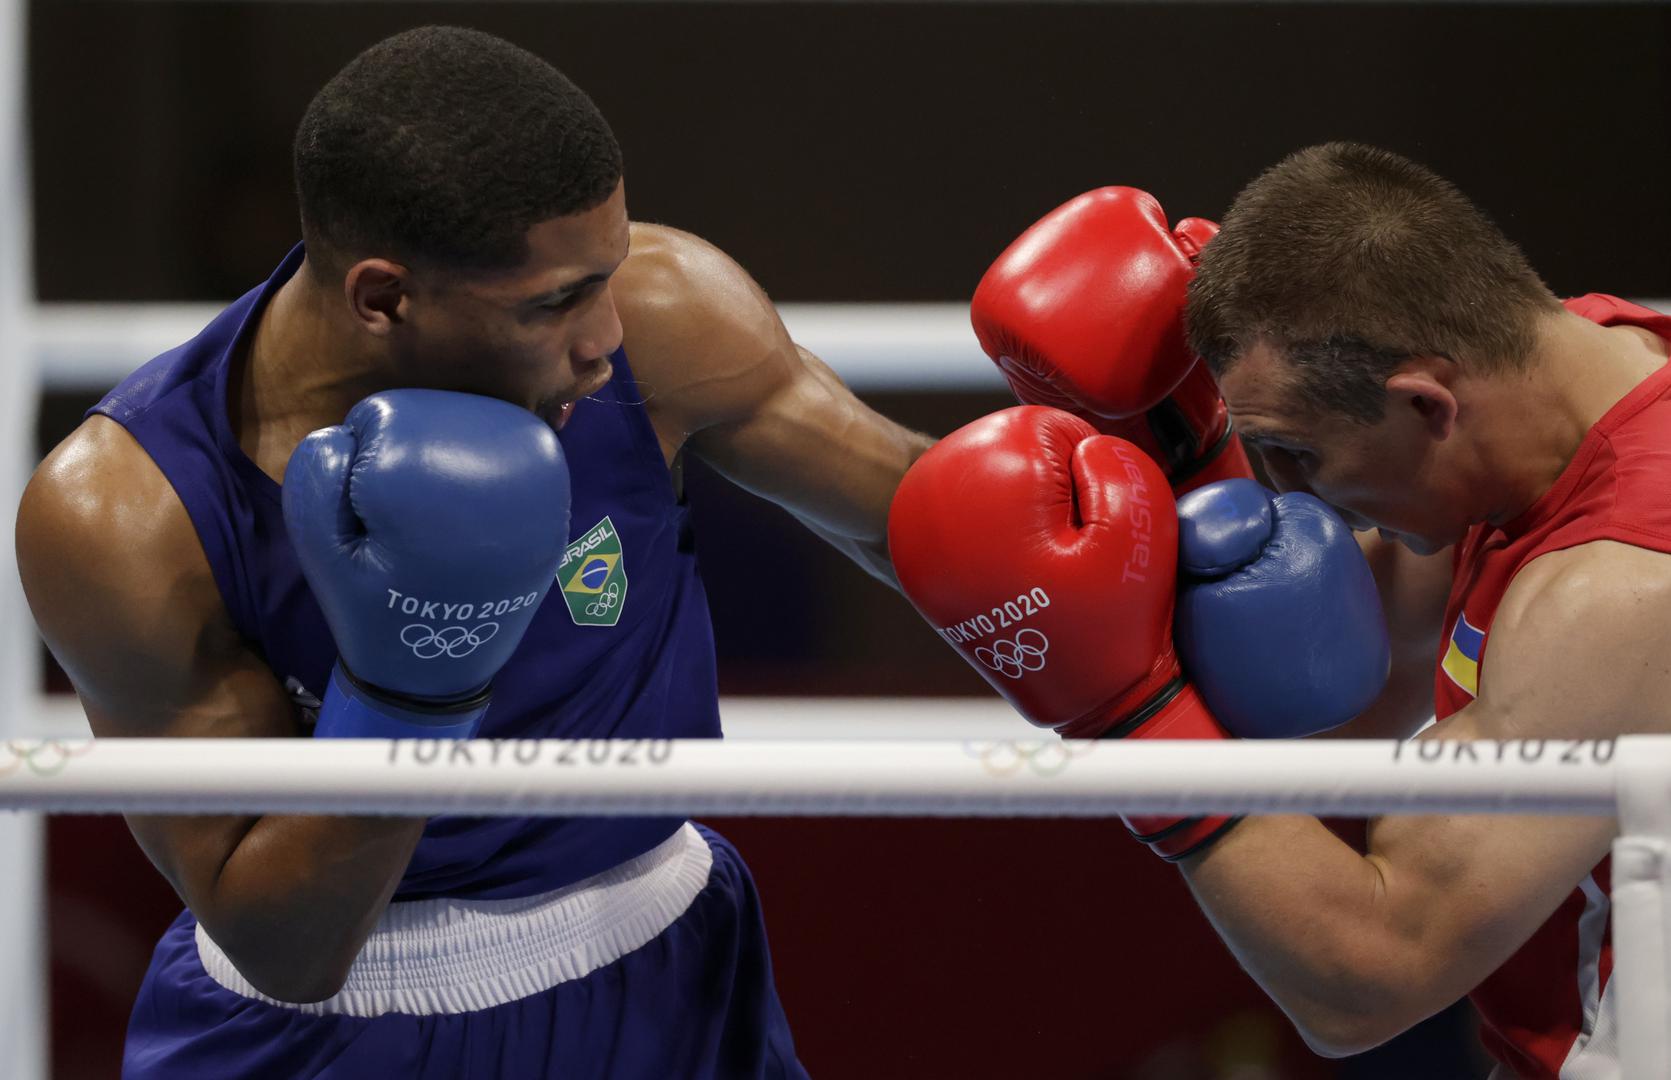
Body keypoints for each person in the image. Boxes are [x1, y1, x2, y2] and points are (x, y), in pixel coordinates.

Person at [15, 26, 932, 1078]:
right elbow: (284, 948)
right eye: (553, 304)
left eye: (609, 272)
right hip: (321, 1034)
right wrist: (407, 693)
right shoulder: (127, 513)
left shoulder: (667, 318)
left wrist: (1132, 460)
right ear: (381, 298)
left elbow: (915, 519)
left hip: (669, 972)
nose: (603, 337)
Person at [892, 143, 1671, 1078]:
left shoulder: (1621, 593)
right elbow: (1350, 686)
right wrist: (1190, 473)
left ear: (1426, 404)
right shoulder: (1582, 372)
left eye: (1292, 452)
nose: (1287, 495)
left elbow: (1366, 979)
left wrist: (1131, 718)